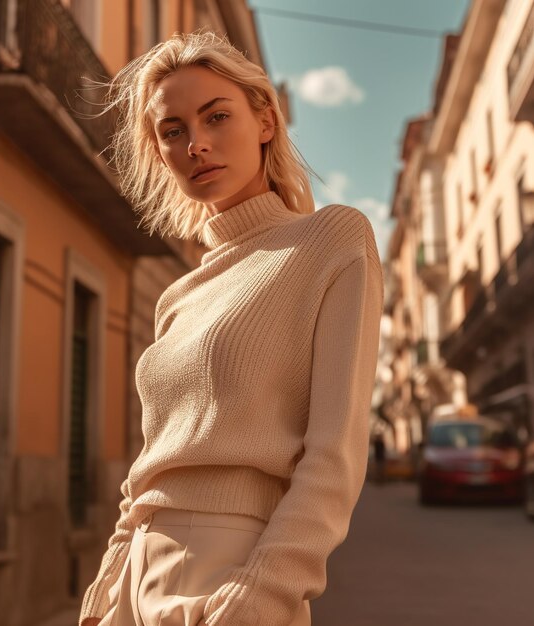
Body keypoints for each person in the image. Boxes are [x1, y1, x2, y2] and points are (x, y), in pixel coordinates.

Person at [79, 30, 384, 626]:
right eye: (173, 131)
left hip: (231, 579)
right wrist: (106, 589)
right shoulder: (179, 294)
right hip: (133, 584)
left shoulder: (332, 241)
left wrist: (258, 598)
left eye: (217, 116)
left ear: (265, 120)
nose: (196, 144)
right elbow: (151, 467)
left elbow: (334, 458)